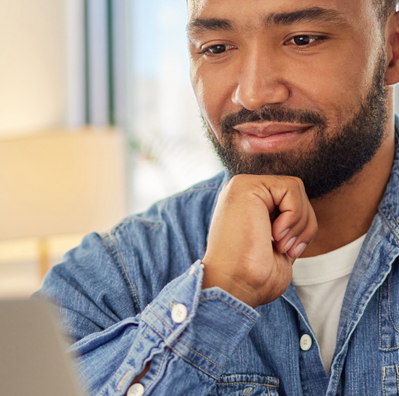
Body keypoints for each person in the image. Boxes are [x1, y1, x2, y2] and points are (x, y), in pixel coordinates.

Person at [36, 0, 399, 394]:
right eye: (217, 48)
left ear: (392, 49)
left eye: (302, 39)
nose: (254, 94)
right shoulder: (114, 278)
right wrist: (215, 295)